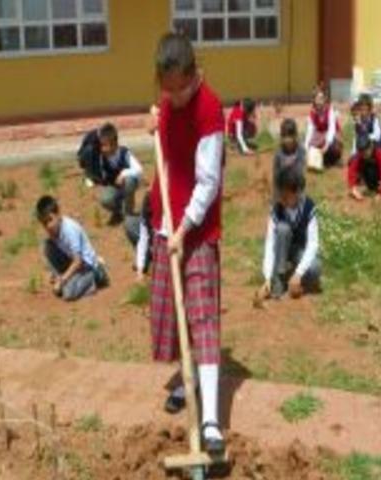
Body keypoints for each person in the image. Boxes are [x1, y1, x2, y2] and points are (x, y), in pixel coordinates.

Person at [149, 32, 226, 454]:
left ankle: (210, 417)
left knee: (202, 317)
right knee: (173, 314)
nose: (175, 97)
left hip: (196, 230)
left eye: (181, 88)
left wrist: (184, 230)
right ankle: (186, 379)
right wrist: (163, 227)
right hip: (167, 223)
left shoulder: (209, 108)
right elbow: (167, 159)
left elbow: (208, 181)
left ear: (194, 76)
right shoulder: (166, 104)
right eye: (168, 88)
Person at [258, 168, 320, 301]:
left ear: (298, 192)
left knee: (315, 268)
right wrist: (268, 277)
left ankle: (296, 283)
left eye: (286, 196)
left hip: (299, 251)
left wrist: (298, 274)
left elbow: (313, 244)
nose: (282, 198)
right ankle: (278, 280)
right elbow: (270, 244)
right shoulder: (276, 209)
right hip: (281, 251)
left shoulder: (309, 207)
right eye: (280, 194)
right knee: (282, 229)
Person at [36, 195, 109, 301]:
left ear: (58, 215)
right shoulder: (54, 231)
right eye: (44, 223)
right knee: (47, 245)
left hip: (87, 266)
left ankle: (94, 280)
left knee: (68, 294)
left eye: (50, 220)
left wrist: (63, 280)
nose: (48, 226)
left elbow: (78, 261)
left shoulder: (70, 230)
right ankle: (67, 279)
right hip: (74, 264)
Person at [97, 122, 143, 224]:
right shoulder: (102, 157)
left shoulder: (124, 153)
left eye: (105, 145)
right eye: (101, 145)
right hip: (116, 187)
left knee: (129, 181)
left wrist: (124, 174)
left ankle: (129, 213)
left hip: (128, 185)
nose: (102, 149)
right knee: (105, 199)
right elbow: (104, 176)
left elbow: (139, 169)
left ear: (114, 144)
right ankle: (119, 211)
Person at [304, 86, 342, 171]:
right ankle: (322, 161)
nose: (319, 101)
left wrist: (326, 145)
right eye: (317, 99)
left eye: (321, 98)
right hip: (320, 134)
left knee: (334, 146)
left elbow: (332, 128)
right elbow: (310, 131)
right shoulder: (312, 113)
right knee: (312, 146)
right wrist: (306, 148)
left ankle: (336, 159)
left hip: (331, 134)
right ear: (314, 100)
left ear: (325, 100)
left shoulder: (330, 110)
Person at [272, 118, 306, 201]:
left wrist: (299, 194)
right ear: (281, 137)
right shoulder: (278, 153)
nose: (287, 140)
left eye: (290, 136)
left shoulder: (300, 150)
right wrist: (276, 197)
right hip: (282, 184)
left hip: (296, 183)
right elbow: (276, 176)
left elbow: (300, 174)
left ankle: (298, 197)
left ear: (295, 136)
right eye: (284, 136)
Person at [124, 191, 153, 280]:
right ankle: (146, 258)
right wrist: (140, 270)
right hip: (153, 239)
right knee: (130, 222)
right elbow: (143, 240)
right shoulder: (145, 216)